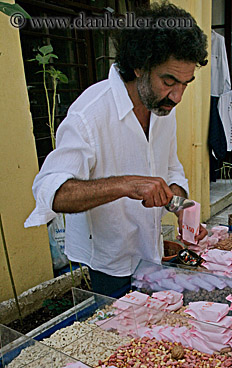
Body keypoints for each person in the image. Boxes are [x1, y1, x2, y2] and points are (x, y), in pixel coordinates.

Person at [25, 2, 208, 297]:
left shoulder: (163, 110)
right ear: (139, 66)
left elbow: (171, 170)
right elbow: (52, 193)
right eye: (169, 81)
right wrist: (127, 185)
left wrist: (182, 209)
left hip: (152, 253)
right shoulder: (90, 114)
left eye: (186, 84)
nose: (177, 96)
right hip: (109, 265)